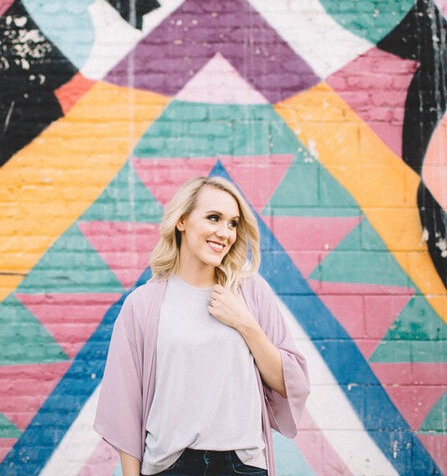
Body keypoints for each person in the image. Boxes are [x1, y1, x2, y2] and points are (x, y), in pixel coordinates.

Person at [94, 176, 310, 476]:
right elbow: (123, 407)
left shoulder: (250, 292)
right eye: (214, 218)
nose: (225, 232)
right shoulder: (142, 305)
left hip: (242, 465)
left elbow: (290, 382)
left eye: (233, 223)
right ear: (181, 221)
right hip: (171, 466)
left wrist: (246, 324)